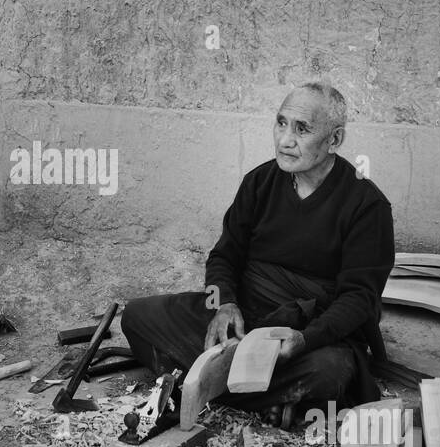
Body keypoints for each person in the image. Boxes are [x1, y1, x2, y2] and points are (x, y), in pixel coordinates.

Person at [121, 82, 394, 426]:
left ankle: (210, 383)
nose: (285, 140)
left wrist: (305, 339)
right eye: (281, 123)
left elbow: (359, 299)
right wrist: (222, 305)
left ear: (334, 140)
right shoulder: (259, 182)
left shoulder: (366, 205)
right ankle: (271, 398)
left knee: (331, 371)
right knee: (137, 316)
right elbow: (223, 257)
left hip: (304, 332)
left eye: (302, 129)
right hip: (245, 316)